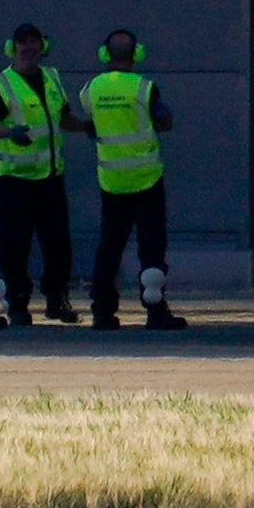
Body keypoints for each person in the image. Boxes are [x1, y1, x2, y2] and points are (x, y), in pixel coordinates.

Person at [82, 23, 184, 332]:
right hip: (146, 178)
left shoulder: (90, 89)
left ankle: (102, 311)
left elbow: (90, 121)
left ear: (104, 54)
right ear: (137, 54)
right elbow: (164, 120)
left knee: (109, 246)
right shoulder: (144, 88)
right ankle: (155, 309)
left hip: (111, 180)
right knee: (151, 246)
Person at [0, 19, 77, 327]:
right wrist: (8, 132)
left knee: (58, 245)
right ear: (12, 49)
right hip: (15, 179)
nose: (29, 50)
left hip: (51, 177)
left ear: (43, 49)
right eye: (23, 45)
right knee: (15, 246)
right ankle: (18, 303)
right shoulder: (1, 84)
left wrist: (91, 126)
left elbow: (64, 118)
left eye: (34, 46)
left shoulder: (52, 78)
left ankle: (56, 299)